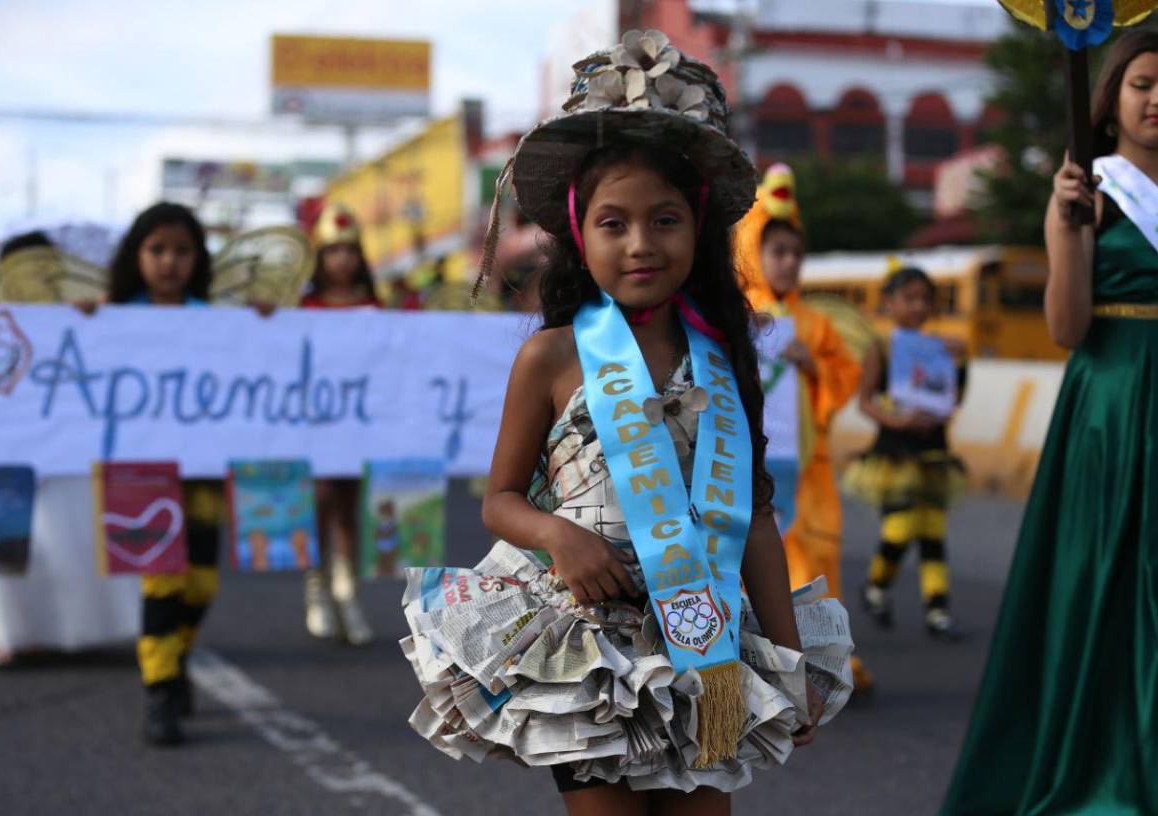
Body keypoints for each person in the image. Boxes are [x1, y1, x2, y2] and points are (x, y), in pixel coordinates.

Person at [399, 30, 853, 815]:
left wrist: (786, 660)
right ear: (580, 231)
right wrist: (561, 538)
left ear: (700, 227)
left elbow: (753, 517)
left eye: (665, 220)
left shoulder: (724, 357)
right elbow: (499, 499)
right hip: (588, 645)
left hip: (705, 638)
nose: (641, 244)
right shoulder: (550, 356)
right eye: (615, 223)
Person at [942, 29, 1158, 814]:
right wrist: (1065, 229)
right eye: (1142, 85)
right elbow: (1065, 330)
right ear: (1113, 100)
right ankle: (1104, 764)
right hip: (1111, 404)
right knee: (1109, 582)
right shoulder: (1086, 191)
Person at [732, 164, 871, 693]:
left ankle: (828, 663)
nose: (788, 262)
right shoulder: (742, 317)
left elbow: (843, 378)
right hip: (757, 466)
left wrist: (811, 367)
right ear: (755, 254)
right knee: (761, 562)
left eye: (795, 253)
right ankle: (766, 662)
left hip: (808, 470)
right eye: (777, 252)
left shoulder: (816, 324)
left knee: (816, 560)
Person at [104, 202, 223, 746]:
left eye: (181, 250)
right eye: (157, 250)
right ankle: (160, 685)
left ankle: (174, 662)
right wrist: (85, 321)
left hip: (202, 469)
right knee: (162, 577)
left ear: (197, 258)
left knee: (200, 581)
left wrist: (268, 326)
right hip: (141, 472)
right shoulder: (111, 318)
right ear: (137, 256)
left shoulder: (220, 321)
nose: (169, 261)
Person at [840, 267, 966, 640]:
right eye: (909, 298)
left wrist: (960, 363)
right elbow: (865, 402)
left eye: (925, 299)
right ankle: (875, 586)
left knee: (932, 532)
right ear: (890, 303)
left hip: (933, 453)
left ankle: (937, 609)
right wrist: (897, 421)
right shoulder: (883, 348)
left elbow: (954, 398)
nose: (918, 306)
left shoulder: (941, 348)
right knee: (899, 529)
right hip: (894, 455)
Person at [299, 203, 378, 646]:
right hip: (317, 421)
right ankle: (317, 591)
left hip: (359, 423)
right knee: (320, 503)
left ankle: (349, 596)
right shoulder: (305, 306)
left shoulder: (373, 306)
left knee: (350, 508)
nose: (341, 260)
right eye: (332, 251)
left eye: (349, 250)